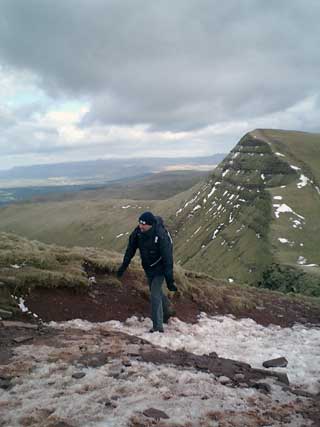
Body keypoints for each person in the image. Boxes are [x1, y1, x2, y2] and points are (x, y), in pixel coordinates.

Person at [117, 211, 177, 333]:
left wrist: (170, 280)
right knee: (156, 291)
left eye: (144, 224)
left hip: (160, 268)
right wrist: (123, 266)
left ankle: (158, 327)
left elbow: (168, 259)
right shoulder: (138, 232)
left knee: (154, 294)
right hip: (148, 266)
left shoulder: (160, 235)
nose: (141, 226)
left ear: (150, 225)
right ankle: (168, 310)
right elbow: (130, 250)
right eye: (140, 223)